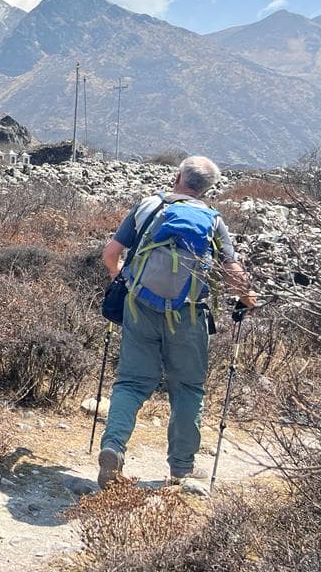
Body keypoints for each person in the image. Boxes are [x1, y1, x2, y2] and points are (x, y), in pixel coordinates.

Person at [97, 156, 256, 487]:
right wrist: (248, 301)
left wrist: (123, 283)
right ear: (207, 188)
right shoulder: (212, 221)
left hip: (140, 308)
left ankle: (113, 447)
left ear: (178, 176)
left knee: (131, 383)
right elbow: (233, 272)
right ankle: (181, 470)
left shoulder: (147, 207)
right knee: (187, 388)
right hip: (189, 314)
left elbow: (110, 253)